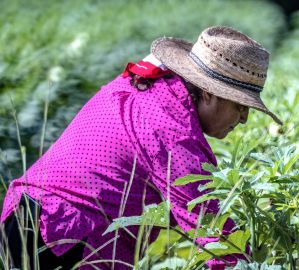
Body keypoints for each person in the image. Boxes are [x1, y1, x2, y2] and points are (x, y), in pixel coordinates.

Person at [0, 26, 281, 269]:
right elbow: (213, 231)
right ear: (209, 92)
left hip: (28, 217)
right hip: (62, 235)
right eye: (240, 106)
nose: (243, 119)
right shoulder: (172, 131)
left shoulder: (152, 88)